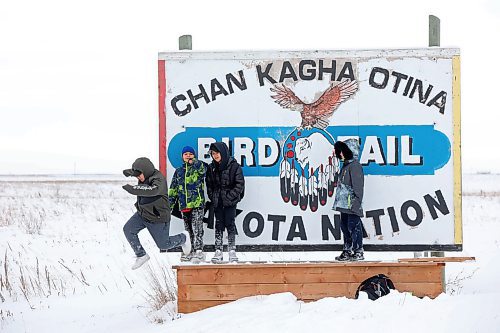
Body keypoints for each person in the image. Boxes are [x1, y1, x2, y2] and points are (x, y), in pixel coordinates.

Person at [122, 157, 191, 269]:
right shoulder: (144, 174)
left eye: (139, 175)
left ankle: (183, 238)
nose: (138, 178)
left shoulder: (158, 179)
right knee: (128, 229)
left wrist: (133, 188)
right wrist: (128, 172)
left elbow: (152, 190)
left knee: (164, 245)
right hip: (143, 214)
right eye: (136, 176)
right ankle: (141, 255)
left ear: (146, 171)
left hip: (157, 218)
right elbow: (137, 171)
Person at [205, 142, 245, 263]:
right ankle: (218, 250)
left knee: (230, 224)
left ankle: (232, 250)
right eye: (213, 153)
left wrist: (229, 197)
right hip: (217, 202)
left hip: (230, 202)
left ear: (223, 152)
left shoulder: (234, 166)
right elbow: (209, 185)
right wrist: (213, 197)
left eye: (217, 153)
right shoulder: (211, 167)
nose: (215, 155)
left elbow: (240, 185)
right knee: (218, 225)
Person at [168, 146, 207, 262]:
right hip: (184, 205)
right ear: (182, 156)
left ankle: (199, 251)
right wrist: (169, 205)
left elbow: (204, 170)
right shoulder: (179, 171)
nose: (188, 156)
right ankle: (189, 251)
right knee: (188, 229)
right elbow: (173, 189)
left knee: (197, 228)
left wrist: (194, 162)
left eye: (191, 154)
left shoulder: (198, 168)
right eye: (186, 154)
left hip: (197, 203)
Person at [332, 139, 365, 261]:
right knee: (345, 227)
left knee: (353, 226)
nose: (340, 154)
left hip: (351, 204)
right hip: (343, 204)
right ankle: (347, 250)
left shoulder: (355, 166)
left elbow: (358, 187)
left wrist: (356, 203)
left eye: (342, 151)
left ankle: (358, 250)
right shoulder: (346, 166)